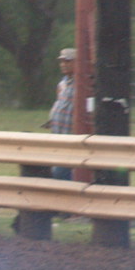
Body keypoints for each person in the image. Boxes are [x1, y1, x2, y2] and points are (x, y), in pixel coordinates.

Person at [42, 47, 76, 179]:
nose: (63, 64)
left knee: (60, 174)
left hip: (71, 137)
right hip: (58, 135)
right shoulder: (62, 83)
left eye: (67, 61)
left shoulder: (83, 83)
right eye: (61, 61)